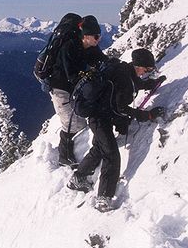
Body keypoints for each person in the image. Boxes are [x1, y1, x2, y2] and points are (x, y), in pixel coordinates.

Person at [67, 48, 167, 212]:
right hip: (98, 117)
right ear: (138, 66)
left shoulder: (126, 71)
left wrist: (153, 83)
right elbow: (121, 107)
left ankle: (77, 178)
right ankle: (103, 198)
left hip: (102, 114)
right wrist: (147, 115)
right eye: (147, 69)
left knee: (101, 147)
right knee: (111, 155)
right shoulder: (124, 77)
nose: (147, 72)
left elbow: (137, 84)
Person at [49, 15, 107, 168]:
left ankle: (72, 152)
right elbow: (71, 75)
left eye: (99, 36)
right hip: (60, 88)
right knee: (71, 123)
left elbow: (103, 60)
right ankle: (64, 156)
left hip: (74, 88)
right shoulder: (69, 47)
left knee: (78, 121)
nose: (98, 39)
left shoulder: (91, 47)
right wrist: (87, 77)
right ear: (86, 36)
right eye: (95, 36)